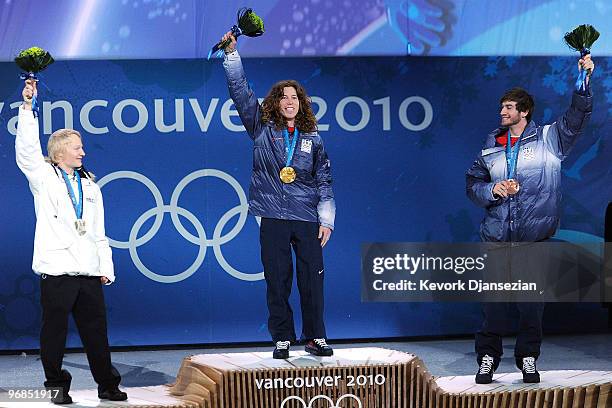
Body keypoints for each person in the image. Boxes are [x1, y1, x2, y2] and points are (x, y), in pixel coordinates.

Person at [466, 55, 594, 384]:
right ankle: (488, 359)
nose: (502, 113)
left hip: (533, 240)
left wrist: (583, 79)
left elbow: (577, 117)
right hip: (495, 240)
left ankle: (527, 358)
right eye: (502, 108)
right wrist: (494, 188)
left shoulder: (550, 139)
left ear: (524, 112)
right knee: (492, 306)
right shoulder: (489, 146)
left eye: (509, 108)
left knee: (530, 307)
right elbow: (472, 187)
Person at [220, 32, 336, 359]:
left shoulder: (312, 137)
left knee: (312, 281)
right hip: (271, 215)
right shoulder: (261, 128)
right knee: (277, 279)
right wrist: (232, 54)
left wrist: (326, 218)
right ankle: (282, 336)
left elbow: (324, 178)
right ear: (275, 102)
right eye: (284, 97)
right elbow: (241, 93)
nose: (289, 101)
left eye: (294, 98)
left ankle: (315, 337)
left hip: (306, 216)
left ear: (301, 104)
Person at [16, 80, 127, 404]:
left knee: (97, 334)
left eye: (81, 147)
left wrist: (105, 267)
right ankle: (57, 387)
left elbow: (99, 231)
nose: (83, 151)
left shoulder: (91, 186)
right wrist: (27, 108)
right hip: (57, 269)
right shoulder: (44, 177)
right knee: (54, 334)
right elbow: (25, 151)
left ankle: (107, 384)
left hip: (88, 270)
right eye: (77, 147)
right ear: (59, 152)